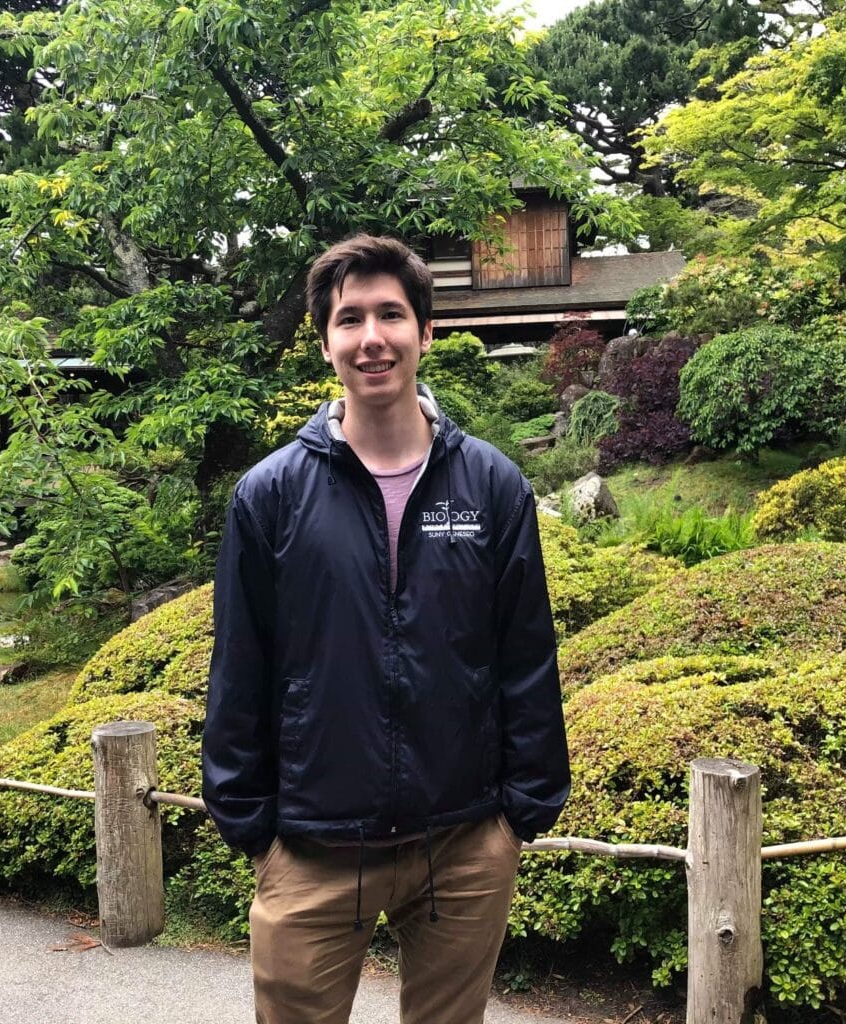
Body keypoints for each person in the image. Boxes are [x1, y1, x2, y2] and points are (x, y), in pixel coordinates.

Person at [202, 234, 569, 1024]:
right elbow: (241, 664)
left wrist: (520, 814)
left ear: (426, 332)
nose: (372, 338)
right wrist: (251, 826)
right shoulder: (269, 496)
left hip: (465, 841)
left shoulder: (491, 486)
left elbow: (525, 657)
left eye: (392, 315)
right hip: (310, 846)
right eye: (350, 319)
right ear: (326, 340)